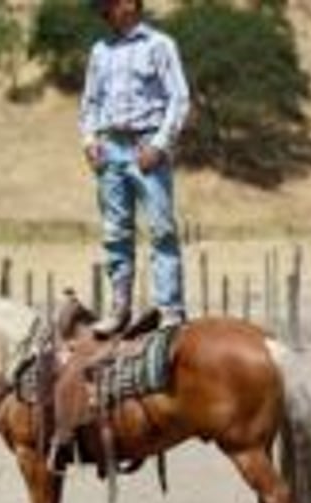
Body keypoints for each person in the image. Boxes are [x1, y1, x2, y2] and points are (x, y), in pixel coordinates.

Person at [80, 0, 191, 337]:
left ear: (129, 4)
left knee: (161, 229)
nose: (104, 11)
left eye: (109, 5)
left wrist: (160, 145)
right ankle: (119, 308)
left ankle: (170, 308)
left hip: (146, 146)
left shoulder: (159, 45)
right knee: (115, 232)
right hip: (110, 147)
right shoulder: (100, 50)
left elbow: (180, 98)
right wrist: (89, 140)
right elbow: (91, 101)